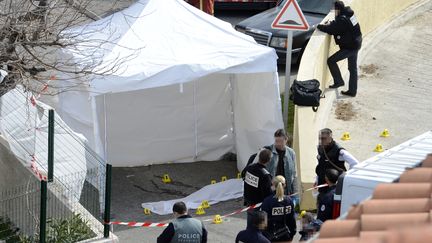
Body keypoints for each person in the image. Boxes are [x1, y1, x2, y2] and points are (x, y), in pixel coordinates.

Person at [317, 0, 362, 97]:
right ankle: (352, 91)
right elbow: (339, 25)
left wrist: (319, 26)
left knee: (331, 61)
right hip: (356, 43)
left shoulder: (343, 19)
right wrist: (333, 23)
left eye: (335, 10)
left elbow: (332, 29)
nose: (334, 12)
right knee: (352, 68)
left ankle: (339, 81)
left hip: (350, 47)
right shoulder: (349, 14)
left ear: (338, 9)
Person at [315, 128, 358, 194]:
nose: (321, 141)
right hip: (322, 186)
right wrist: (317, 180)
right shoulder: (320, 148)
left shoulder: (339, 151)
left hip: (334, 189)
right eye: (320, 138)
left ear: (330, 138)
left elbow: (355, 163)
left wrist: (345, 179)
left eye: (324, 138)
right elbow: (321, 165)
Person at [266, 129, 299, 204]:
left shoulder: (291, 153)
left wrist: (295, 192)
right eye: (276, 141)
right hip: (272, 190)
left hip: (286, 191)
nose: (278, 143)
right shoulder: (268, 151)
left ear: (286, 140)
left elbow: (294, 174)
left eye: (280, 141)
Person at [261, 176, 297, 242]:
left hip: (270, 237)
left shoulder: (267, 201)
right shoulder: (289, 201)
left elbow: (263, 222)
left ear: (273, 185)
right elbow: (292, 220)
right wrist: (292, 234)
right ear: (285, 185)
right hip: (286, 236)